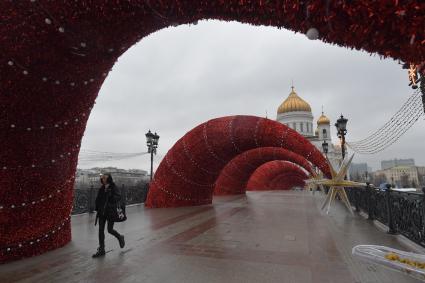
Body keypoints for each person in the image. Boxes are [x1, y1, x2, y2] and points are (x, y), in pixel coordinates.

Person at [92, 173, 125, 258]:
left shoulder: (113, 187)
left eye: (105, 178)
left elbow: (118, 197)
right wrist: (97, 208)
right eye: (102, 178)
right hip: (102, 213)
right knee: (100, 230)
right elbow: (98, 199)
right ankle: (102, 249)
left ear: (109, 179)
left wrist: (111, 196)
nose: (103, 179)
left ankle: (120, 237)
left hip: (110, 212)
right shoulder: (102, 188)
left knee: (109, 230)